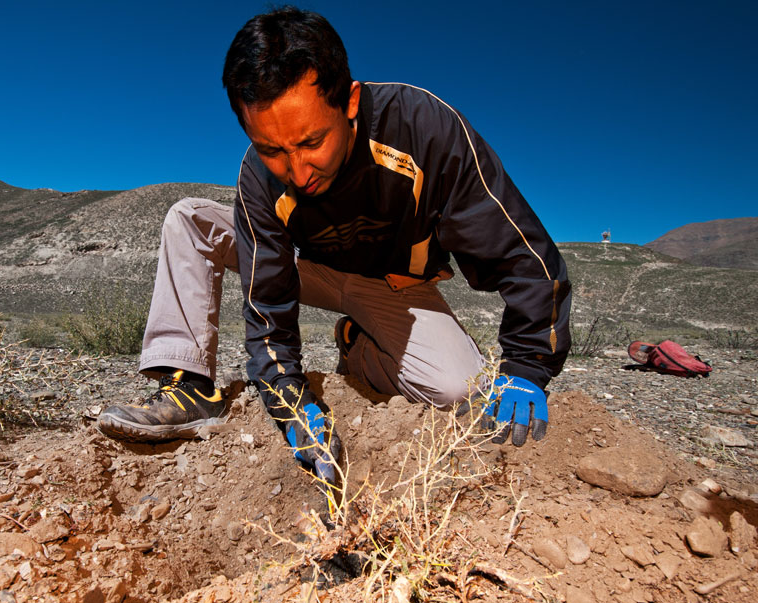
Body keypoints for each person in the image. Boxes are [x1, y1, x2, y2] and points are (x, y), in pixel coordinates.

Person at [98, 7, 571, 477]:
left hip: (393, 285)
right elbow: (268, 310)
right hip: (307, 271)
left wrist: (528, 363)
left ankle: (359, 343)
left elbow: (520, 253)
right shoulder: (259, 180)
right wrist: (288, 400)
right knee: (190, 219)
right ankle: (189, 385)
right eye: (271, 150)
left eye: (311, 142)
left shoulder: (422, 128)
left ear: (349, 102)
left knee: (461, 390)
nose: (298, 173)